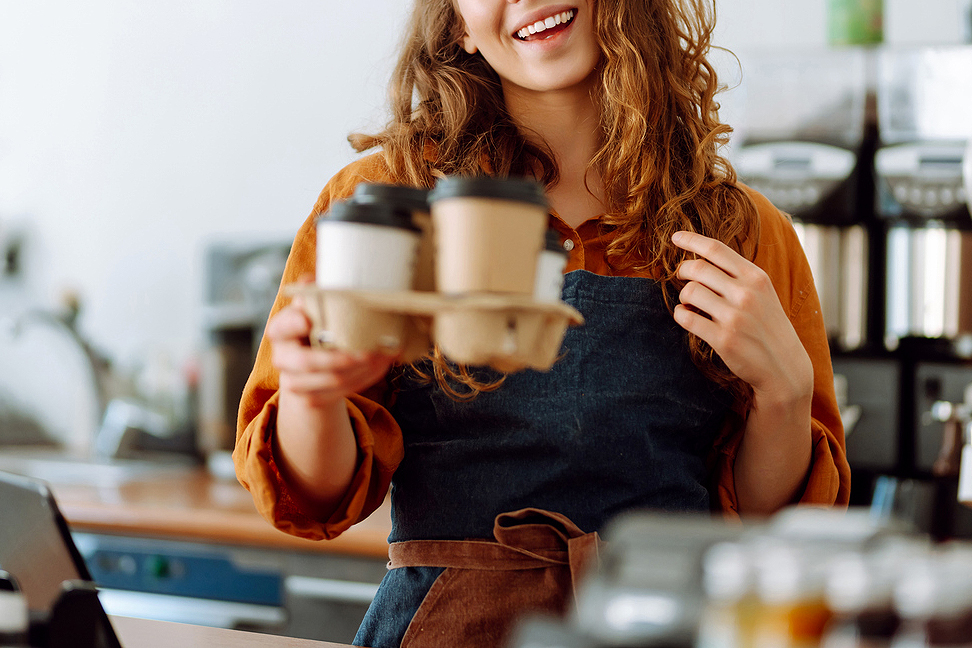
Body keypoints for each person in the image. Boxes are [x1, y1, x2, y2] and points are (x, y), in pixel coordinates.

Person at [235, 0, 851, 645]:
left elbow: (769, 533)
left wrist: (785, 396)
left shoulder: (741, 230)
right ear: (457, 27)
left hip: (664, 626)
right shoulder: (387, 200)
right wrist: (313, 395)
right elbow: (312, 500)